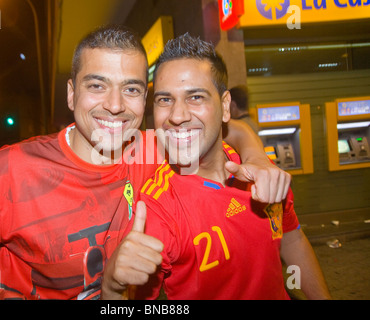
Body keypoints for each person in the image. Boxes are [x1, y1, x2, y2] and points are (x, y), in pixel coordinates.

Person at [0, 26, 290, 300]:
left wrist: (257, 156)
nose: (115, 105)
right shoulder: (9, 172)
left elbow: (227, 128)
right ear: (71, 93)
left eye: (130, 89)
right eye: (97, 86)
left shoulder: (151, 149)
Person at [101, 33, 331, 300]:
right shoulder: (157, 209)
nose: (177, 116)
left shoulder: (262, 173)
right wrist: (111, 288)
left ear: (224, 106)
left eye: (195, 97)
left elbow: (291, 239)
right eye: (165, 100)